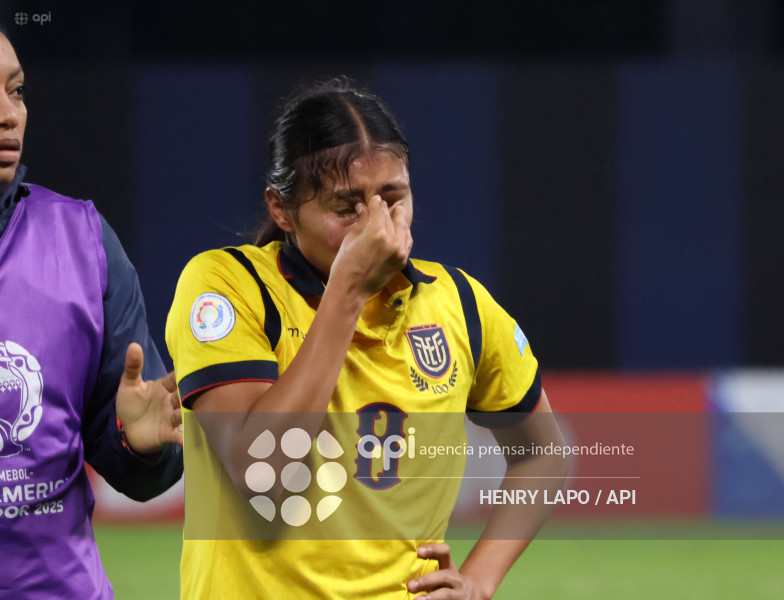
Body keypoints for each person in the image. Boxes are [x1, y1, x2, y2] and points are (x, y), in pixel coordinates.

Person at [166, 77, 567, 599]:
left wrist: (479, 580)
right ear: (281, 209)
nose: (376, 223)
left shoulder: (460, 303)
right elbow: (263, 475)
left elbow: (544, 454)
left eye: (393, 197)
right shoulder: (228, 287)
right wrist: (347, 293)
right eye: (346, 207)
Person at [0, 31, 183, 598]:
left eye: (17, 91)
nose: (9, 116)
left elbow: (136, 469)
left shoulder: (82, 241)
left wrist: (141, 444)